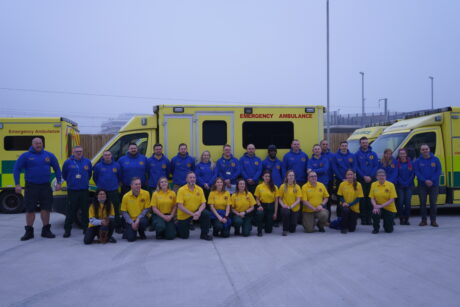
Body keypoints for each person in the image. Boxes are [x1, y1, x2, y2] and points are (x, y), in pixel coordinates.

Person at [13, 137, 62, 241]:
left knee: (46, 208)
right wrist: (17, 184)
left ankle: (46, 231)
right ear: (32, 144)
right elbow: (16, 169)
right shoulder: (25, 156)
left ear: (42, 143)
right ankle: (29, 232)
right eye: (36, 143)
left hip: (45, 186)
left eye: (40, 143)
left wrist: (59, 182)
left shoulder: (49, 155)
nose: (38, 145)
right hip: (31, 186)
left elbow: (57, 168)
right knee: (30, 209)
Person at [62, 146, 92, 237]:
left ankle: (86, 229)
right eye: (77, 151)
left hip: (84, 190)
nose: (79, 153)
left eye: (80, 151)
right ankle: (67, 230)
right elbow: (64, 174)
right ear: (73, 152)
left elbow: (89, 174)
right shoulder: (68, 162)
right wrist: (71, 182)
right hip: (72, 190)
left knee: (85, 211)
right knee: (70, 211)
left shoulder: (87, 162)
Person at [176, 172, 212, 240]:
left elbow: (203, 204)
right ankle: (178, 226)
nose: (192, 179)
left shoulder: (199, 189)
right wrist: (192, 214)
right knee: (184, 236)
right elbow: (180, 206)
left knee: (206, 214)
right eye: (190, 177)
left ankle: (204, 235)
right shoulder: (181, 190)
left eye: (194, 177)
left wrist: (198, 212)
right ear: (186, 179)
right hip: (184, 215)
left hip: (196, 212)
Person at [93, 150, 123, 233]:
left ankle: (118, 227)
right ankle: (100, 225)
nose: (107, 156)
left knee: (116, 209)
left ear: (111, 156)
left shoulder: (116, 165)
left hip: (113, 191)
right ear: (103, 156)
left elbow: (120, 176)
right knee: (101, 209)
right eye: (105, 155)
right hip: (102, 192)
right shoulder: (98, 166)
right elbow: (95, 177)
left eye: (108, 155)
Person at [413, 144, 442, 227]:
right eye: (423, 149)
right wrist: (425, 180)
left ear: (429, 150)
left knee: (433, 203)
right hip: (422, 185)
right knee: (422, 203)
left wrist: (431, 180)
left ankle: (433, 221)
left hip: (434, 185)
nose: (425, 150)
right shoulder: (418, 161)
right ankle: (424, 221)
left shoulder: (436, 159)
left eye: (426, 149)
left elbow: (439, 171)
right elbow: (417, 172)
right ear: (420, 151)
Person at [355, 137, 379, 225]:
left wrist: (370, 176)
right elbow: (356, 167)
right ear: (360, 144)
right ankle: (363, 219)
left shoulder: (373, 154)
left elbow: (376, 166)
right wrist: (364, 176)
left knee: (371, 199)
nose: (365, 144)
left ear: (368, 143)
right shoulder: (357, 154)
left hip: (372, 179)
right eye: (363, 143)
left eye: (366, 142)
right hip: (361, 179)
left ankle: (369, 218)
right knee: (362, 200)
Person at [120, 177, 150, 242]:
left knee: (143, 222)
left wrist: (138, 219)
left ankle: (141, 231)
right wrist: (131, 223)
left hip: (141, 218)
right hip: (131, 219)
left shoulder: (146, 193)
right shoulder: (126, 196)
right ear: (131, 186)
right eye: (136, 184)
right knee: (130, 239)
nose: (138, 186)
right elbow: (124, 212)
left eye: (139, 184)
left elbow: (147, 208)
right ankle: (128, 230)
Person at [370, 169, 398, 234]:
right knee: (375, 213)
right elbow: (372, 198)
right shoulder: (373, 184)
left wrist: (381, 206)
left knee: (389, 230)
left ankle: (387, 223)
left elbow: (392, 199)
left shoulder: (390, 185)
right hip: (378, 206)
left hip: (389, 208)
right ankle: (376, 228)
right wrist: (375, 206)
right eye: (379, 176)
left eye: (383, 175)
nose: (381, 177)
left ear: (385, 176)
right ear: (376, 177)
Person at [308, 144, 331, 221]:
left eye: (318, 149)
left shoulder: (325, 159)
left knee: (324, 201)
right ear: (313, 151)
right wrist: (317, 170)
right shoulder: (310, 160)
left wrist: (313, 170)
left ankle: (325, 221)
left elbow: (325, 169)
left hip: (323, 183)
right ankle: (313, 218)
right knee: (312, 200)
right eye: (315, 149)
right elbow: (308, 171)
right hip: (312, 184)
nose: (317, 150)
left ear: (321, 150)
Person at [337, 169, 363, 234]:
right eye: (348, 174)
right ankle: (343, 227)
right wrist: (344, 202)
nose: (350, 176)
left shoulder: (358, 184)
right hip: (344, 206)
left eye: (351, 174)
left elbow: (359, 198)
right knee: (345, 210)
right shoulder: (342, 184)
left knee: (352, 229)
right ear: (346, 175)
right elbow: (340, 196)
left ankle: (344, 222)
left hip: (354, 208)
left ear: (354, 175)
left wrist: (350, 204)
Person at [254, 171, 278, 236]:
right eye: (266, 176)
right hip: (262, 205)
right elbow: (257, 199)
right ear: (263, 177)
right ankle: (259, 230)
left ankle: (266, 224)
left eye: (268, 176)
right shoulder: (259, 187)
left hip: (271, 206)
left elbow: (276, 201)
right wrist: (259, 205)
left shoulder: (274, 187)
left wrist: (275, 213)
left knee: (269, 231)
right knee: (259, 213)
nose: (267, 178)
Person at [278, 170, 302, 236]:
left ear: (294, 177)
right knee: (286, 212)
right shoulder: (282, 186)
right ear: (287, 177)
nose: (291, 177)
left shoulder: (297, 187)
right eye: (290, 175)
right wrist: (283, 205)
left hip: (294, 208)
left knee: (292, 230)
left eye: (292, 175)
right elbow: (279, 199)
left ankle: (291, 225)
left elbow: (298, 200)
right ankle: (284, 230)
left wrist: (291, 206)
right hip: (285, 208)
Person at [396, 148, 414, 225]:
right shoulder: (396, 163)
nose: (402, 155)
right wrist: (402, 182)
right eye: (401, 154)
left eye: (403, 153)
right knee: (400, 203)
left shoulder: (411, 163)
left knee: (407, 203)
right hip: (400, 186)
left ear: (406, 154)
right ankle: (401, 219)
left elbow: (413, 174)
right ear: (399, 155)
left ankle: (406, 219)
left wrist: (407, 182)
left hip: (409, 186)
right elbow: (396, 174)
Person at [320, 139, 335, 223]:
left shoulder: (332, 155)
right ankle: (321, 218)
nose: (325, 146)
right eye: (323, 144)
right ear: (321, 145)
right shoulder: (318, 155)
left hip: (329, 180)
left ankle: (328, 219)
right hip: (319, 181)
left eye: (326, 144)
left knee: (328, 200)